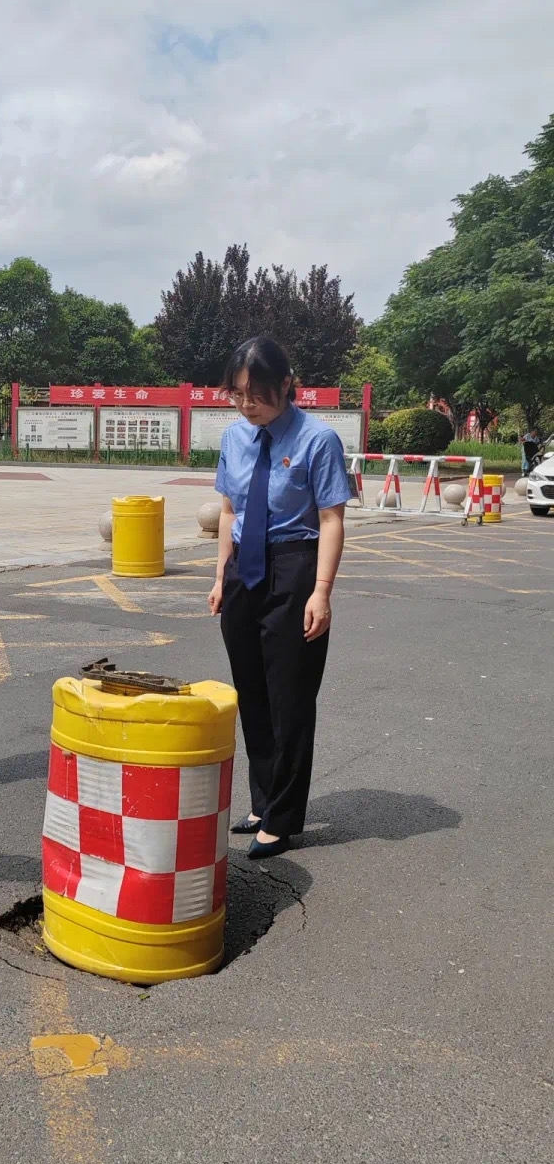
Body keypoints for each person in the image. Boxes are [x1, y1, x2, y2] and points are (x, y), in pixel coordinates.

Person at [207, 336, 351, 859]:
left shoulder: (318, 440)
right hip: (242, 568)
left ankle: (283, 817)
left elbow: (332, 518)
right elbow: (229, 510)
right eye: (238, 394)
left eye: (258, 394)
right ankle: (263, 799)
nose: (247, 405)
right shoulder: (234, 437)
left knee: (289, 696)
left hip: (294, 567)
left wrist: (321, 592)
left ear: (287, 385)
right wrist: (220, 578)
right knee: (252, 692)